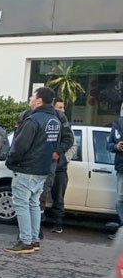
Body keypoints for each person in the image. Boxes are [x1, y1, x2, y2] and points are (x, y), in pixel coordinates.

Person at [4, 87, 62, 254]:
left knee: (22, 204)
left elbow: (20, 146)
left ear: (39, 100)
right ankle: (34, 239)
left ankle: (25, 240)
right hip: (43, 168)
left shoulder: (33, 120)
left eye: (32, 96)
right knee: (34, 204)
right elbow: (56, 144)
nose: (30, 98)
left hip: (26, 168)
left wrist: (11, 160)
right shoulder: (54, 120)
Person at [43, 98, 75, 233]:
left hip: (60, 168)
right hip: (46, 165)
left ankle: (57, 223)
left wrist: (63, 158)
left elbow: (72, 144)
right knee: (42, 194)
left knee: (58, 196)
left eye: (63, 107)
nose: (63, 110)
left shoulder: (65, 126)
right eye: (60, 107)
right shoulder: (48, 122)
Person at [107, 103, 123, 238]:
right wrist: (117, 146)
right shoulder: (117, 124)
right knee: (119, 200)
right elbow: (109, 145)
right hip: (121, 167)